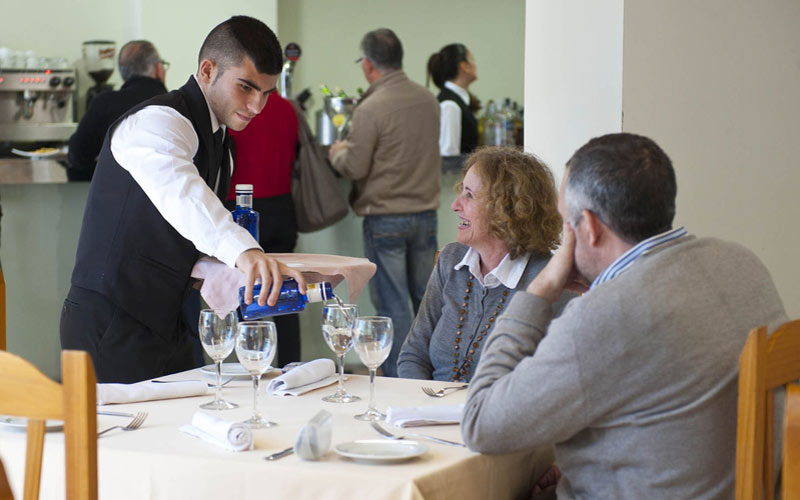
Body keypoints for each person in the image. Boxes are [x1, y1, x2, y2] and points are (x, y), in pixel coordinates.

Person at [461, 133, 788, 499]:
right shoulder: (740, 262)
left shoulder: (603, 316)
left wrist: (536, 294)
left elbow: (480, 424)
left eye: (564, 221)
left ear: (590, 227)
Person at [60, 16, 305, 384]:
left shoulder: (223, 142)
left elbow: (185, 240)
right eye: (246, 88)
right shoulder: (157, 122)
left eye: (267, 93)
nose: (257, 106)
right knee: (117, 441)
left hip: (172, 323)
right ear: (207, 70)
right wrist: (247, 252)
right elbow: (183, 196)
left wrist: (265, 275)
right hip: (113, 322)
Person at [397, 147, 573, 381]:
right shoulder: (451, 260)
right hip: (428, 412)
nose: (455, 205)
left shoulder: (550, 280)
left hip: (497, 415)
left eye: (469, 195)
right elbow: (413, 354)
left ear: (505, 209)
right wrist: (422, 408)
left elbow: (549, 381)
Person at [328, 28, 440, 377]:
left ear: (368, 64)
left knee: (393, 307)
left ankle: (400, 380)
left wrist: (336, 154)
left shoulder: (372, 107)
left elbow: (357, 166)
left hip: (385, 219)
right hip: (425, 215)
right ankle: (433, 376)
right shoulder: (428, 100)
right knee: (427, 303)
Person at [225, 91, 300, 367]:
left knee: (245, 291)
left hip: (240, 207)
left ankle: (251, 366)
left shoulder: (234, 108)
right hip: (281, 207)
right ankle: (292, 368)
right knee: (288, 293)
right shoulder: (287, 109)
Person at [66, 40, 169, 181]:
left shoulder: (105, 103)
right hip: (165, 199)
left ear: (123, 73)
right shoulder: (174, 105)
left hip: (116, 197)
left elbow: (77, 156)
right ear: (158, 69)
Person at [427, 43, 479, 159]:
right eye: (473, 60)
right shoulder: (450, 105)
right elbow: (448, 157)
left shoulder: (459, 101)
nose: (475, 65)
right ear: (464, 66)